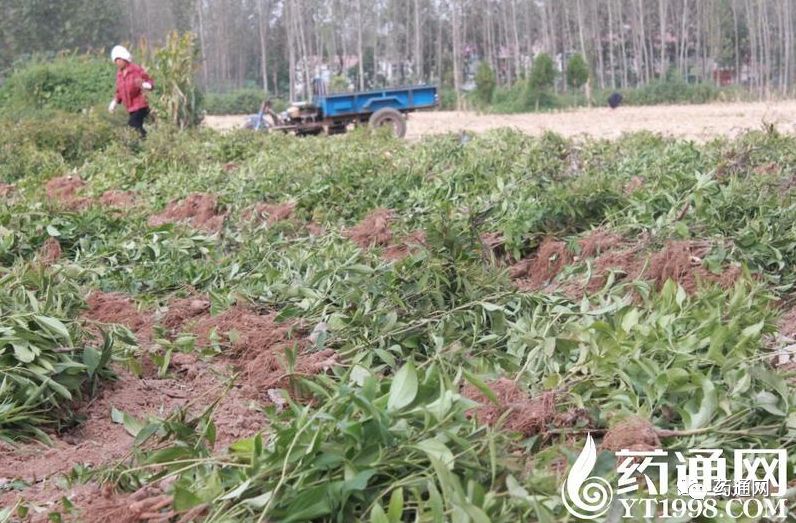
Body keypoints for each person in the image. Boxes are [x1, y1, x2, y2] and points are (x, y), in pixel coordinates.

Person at [108, 45, 154, 138]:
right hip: (131, 107)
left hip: (140, 105)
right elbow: (119, 91)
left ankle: (144, 142)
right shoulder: (120, 74)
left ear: (124, 59)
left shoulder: (135, 69)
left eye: (118, 60)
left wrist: (147, 85)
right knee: (136, 127)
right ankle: (148, 140)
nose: (117, 63)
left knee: (133, 126)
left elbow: (148, 81)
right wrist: (114, 102)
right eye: (116, 61)